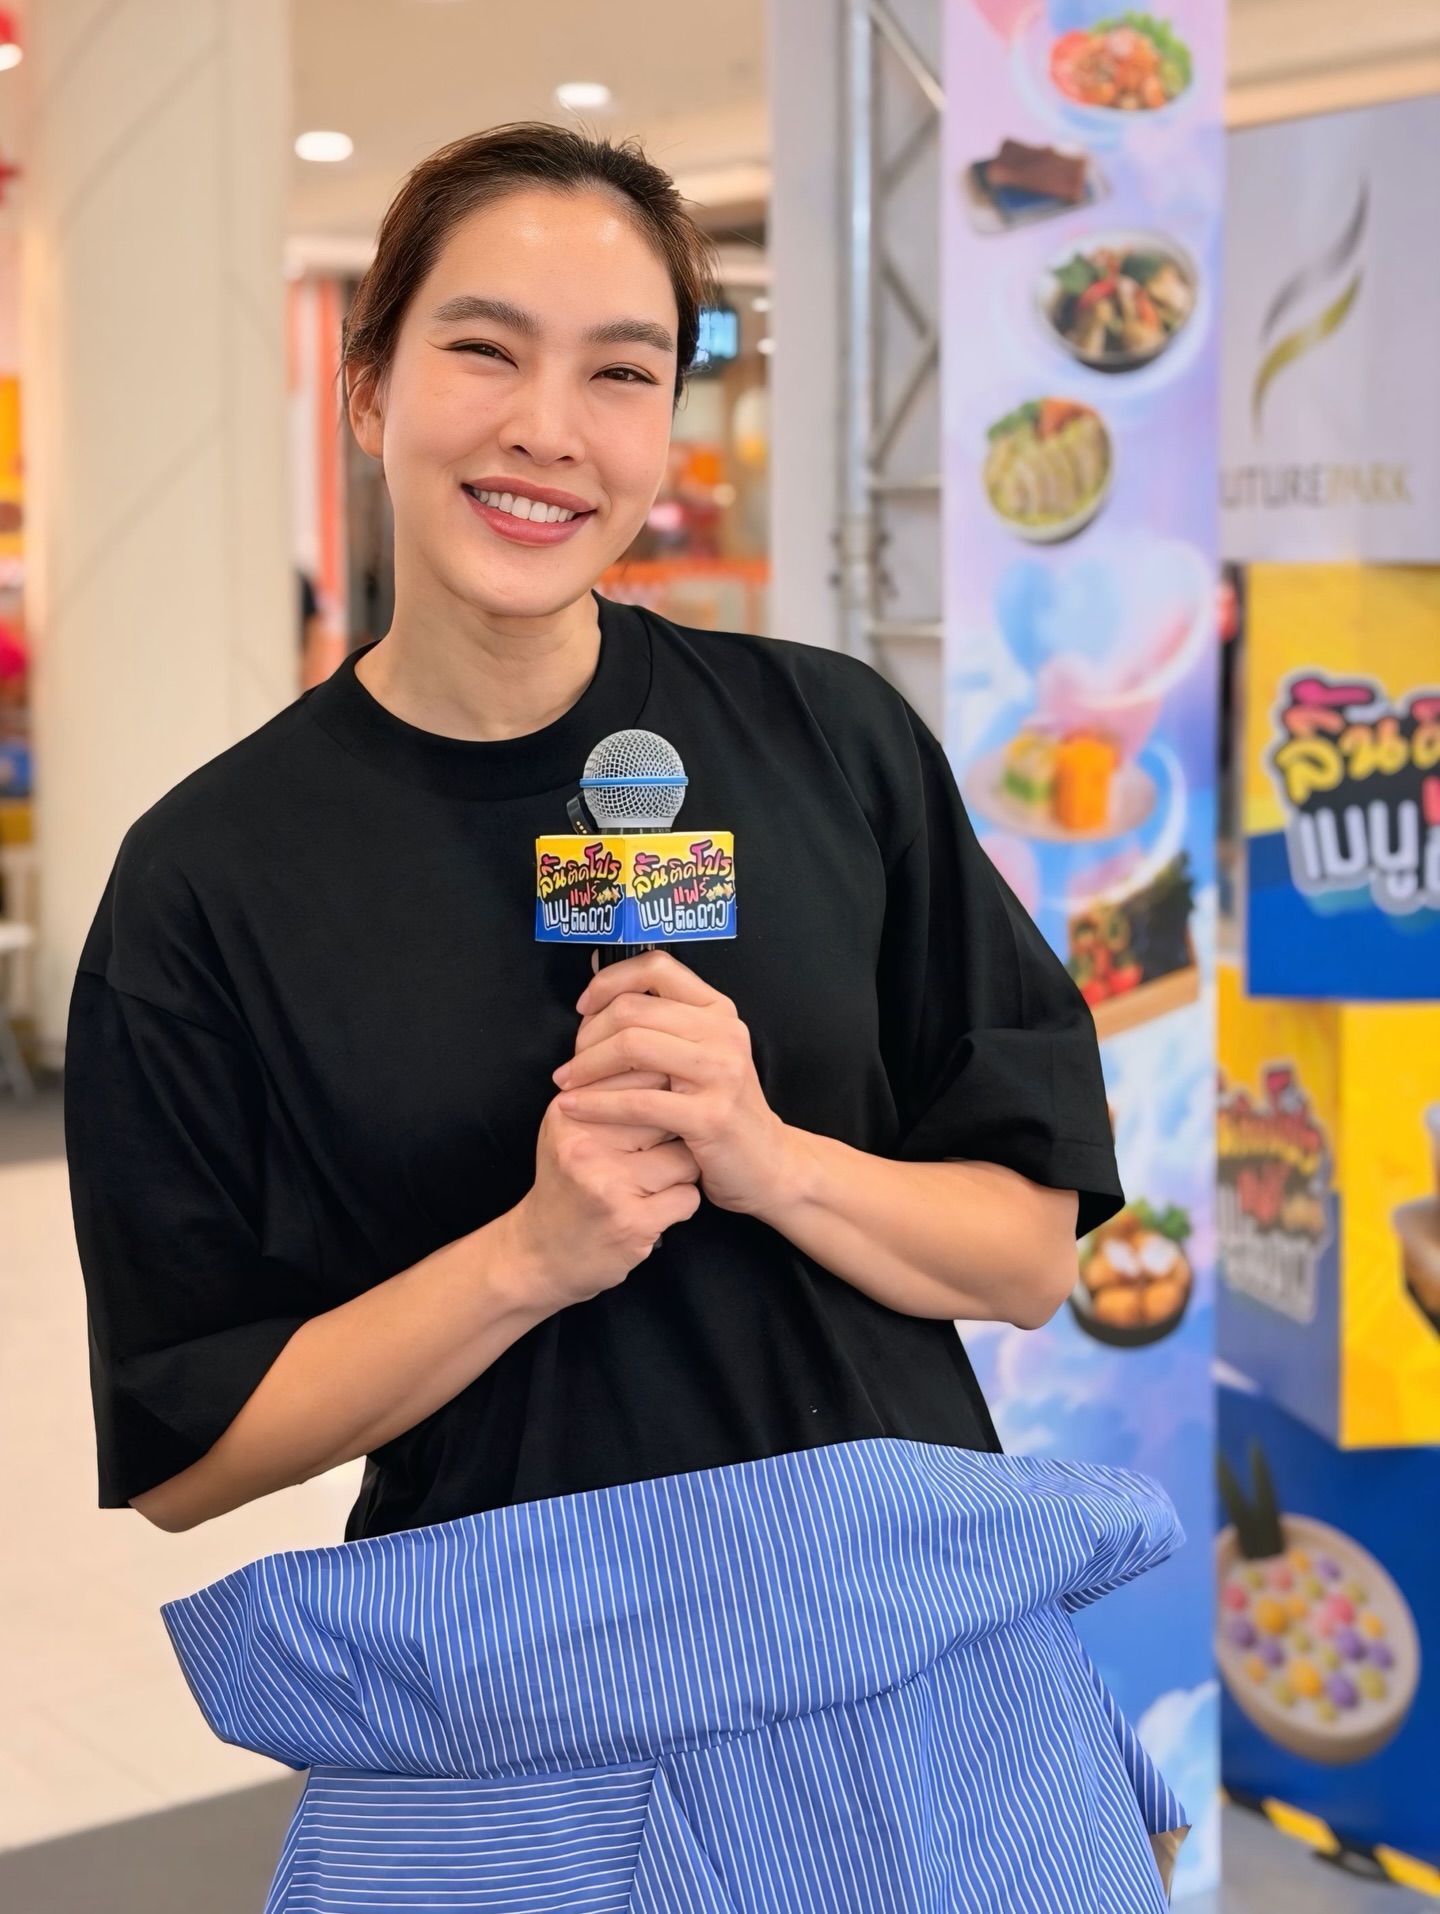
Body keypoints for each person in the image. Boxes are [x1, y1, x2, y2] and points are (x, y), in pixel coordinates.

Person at [69, 125, 1187, 1910]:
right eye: (484, 349)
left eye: (621, 372)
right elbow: (191, 1449)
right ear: (367, 385)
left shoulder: (833, 745)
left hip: (922, 1694)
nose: (550, 429)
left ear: (668, 421)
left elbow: (1028, 1254)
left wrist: (771, 1156)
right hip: (509, 1724)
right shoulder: (212, 876)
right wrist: (534, 1251)